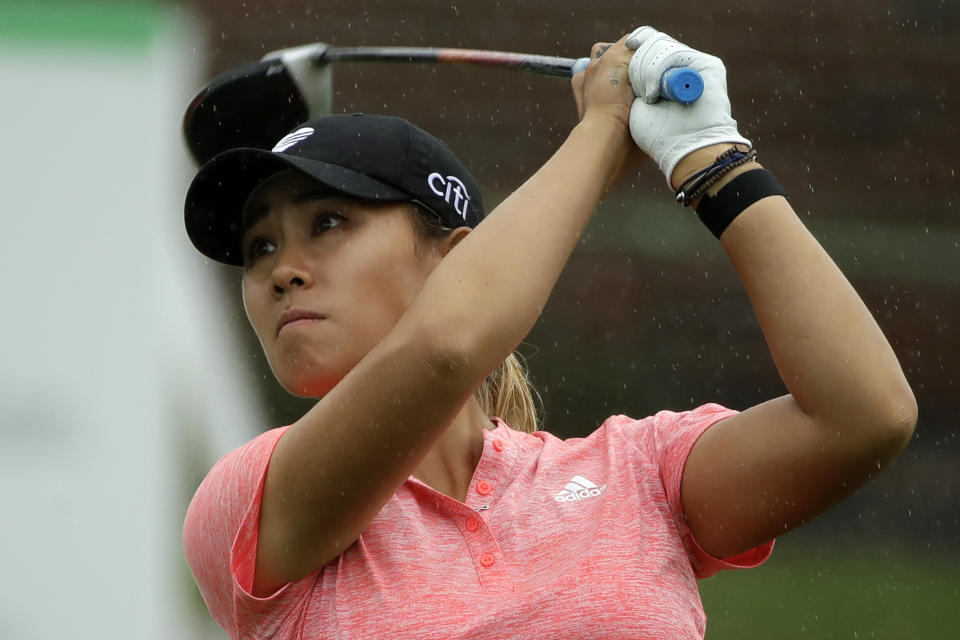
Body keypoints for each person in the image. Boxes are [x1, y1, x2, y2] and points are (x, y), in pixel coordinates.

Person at [181, 27, 916, 639]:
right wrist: (601, 130)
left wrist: (714, 159)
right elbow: (446, 347)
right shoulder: (247, 500)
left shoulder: (639, 474)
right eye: (259, 249)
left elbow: (863, 416)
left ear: (455, 259)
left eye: (327, 222)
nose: (281, 272)